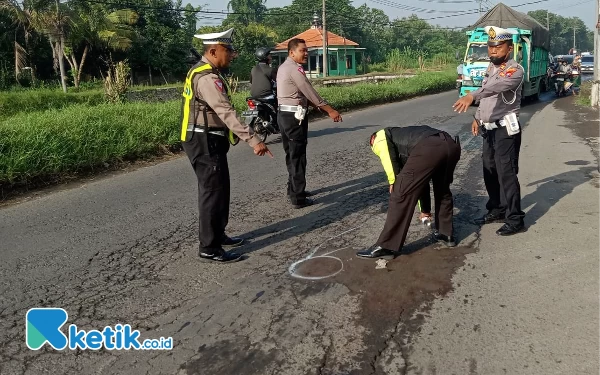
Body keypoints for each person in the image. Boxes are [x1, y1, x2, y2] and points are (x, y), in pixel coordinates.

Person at [180, 28, 273, 263]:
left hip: (210, 138)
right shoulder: (207, 77)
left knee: (220, 188)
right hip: (204, 139)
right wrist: (253, 139)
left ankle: (218, 234)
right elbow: (225, 111)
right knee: (212, 192)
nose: (232, 54)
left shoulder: (206, 72)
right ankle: (209, 247)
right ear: (213, 51)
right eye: (228, 50)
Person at [453, 26, 526, 236]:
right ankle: (497, 209)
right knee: (489, 171)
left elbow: (494, 89)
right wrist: (477, 117)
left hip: (506, 130)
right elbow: (489, 99)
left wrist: (471, 96)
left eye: (498, 47)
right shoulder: (490, 69)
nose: (493, 51)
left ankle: (515, 218)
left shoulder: (515, 70)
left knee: (507, 174)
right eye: (490, 47)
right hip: (489, 130)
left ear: (509, 48)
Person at [356, 126, 461, 259]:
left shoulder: (379, 137)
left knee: (400, 195)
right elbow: (419, 184)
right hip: (450, 145)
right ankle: (446, 234)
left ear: (372, 139)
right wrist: (425, 210)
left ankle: (387, 246)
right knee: (443, 191)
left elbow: (389, 160)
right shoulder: (407, 138)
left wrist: (393, 181)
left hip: (429, 148)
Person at [276, 38, 343, 208]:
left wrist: (321, 108)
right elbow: (309, 92)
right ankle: (298, 197)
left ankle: (294, 189)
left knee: (291, 155)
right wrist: (330, 110)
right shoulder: (294, 69)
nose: (306, 53)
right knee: (297, 156)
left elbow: (305, 95)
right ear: (292, 52)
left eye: (306, 50)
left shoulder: (284, 67)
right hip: (293, 118)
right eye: (302, 51)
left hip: (285, 115)